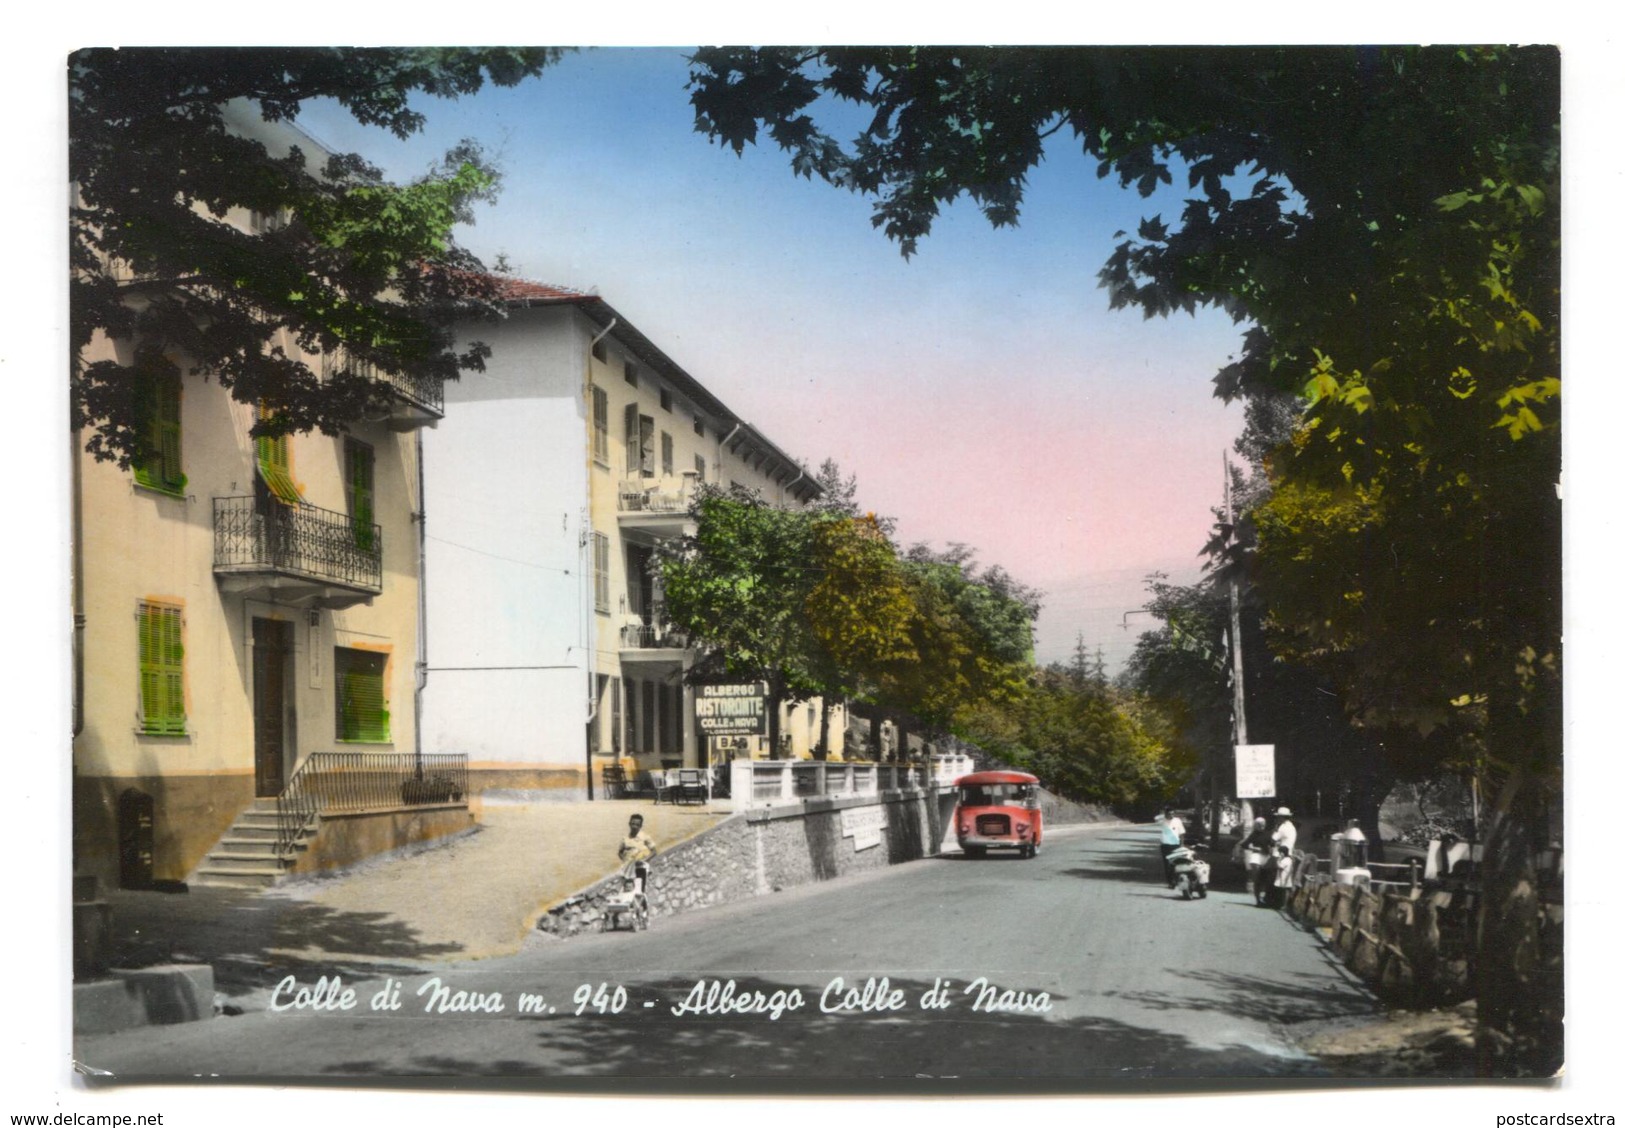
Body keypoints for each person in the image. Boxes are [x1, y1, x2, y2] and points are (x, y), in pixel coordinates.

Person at [1232, 816, 1273, 902]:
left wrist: (1270, 850)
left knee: (1266, 878)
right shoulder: (1254, 834)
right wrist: (1253, 848)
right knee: (1257, 877)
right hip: (1256, 856)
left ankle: (1266, 897)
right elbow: (1244, 844)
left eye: (1263, 824)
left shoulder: (1267, 834)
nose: (1262, 826)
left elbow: (1272, 844)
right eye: (1259, 824)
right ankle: (1258, 899)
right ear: (1256, 825)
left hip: (1265, 856)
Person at [618, 813, 657, 895]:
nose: (634, 826)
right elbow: (620, 852)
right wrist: (625, 861)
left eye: (637, 824)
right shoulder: (625, 838)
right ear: (629, 824)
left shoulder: (645, 837)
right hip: (628, 870)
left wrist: (644, 860)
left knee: (639, 892)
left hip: (640, 869)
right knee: (626, 892)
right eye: (633, 824)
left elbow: (654, 851)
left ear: (640, 826)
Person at [1157, 805, 1186, 888]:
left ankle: (1175, 880)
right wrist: (1163, 814)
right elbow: (1156, 818)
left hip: (1175, 845)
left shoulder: (1177, 821)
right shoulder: (1162, 821)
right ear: (1166, 814)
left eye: (1173, 814)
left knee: (1175, 864)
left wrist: (1182, 844)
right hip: (1165, 845)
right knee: (1167, 865)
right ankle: (1170, 882)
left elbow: (1181, 833)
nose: (1171, 815)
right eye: (1169, 814)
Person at [1270, 806, 1298, 890]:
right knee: (1286, 878)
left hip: (1280, 854)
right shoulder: (1292, 827)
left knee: (1277, 878)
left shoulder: (1283, 827)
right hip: (1289, 854)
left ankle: (1275, 898)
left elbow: (1273, 839)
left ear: (1281, 817)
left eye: (1278, 817)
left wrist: (1275, 830)